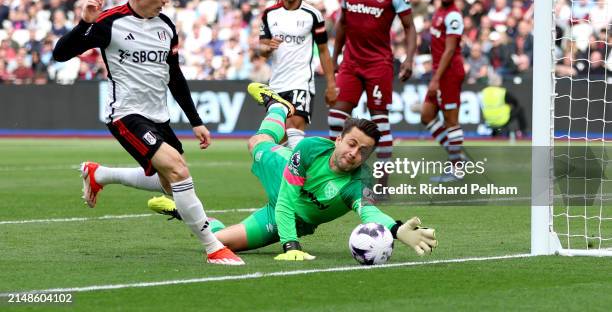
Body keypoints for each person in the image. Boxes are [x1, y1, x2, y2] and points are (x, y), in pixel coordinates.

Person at [52, 0, 243, 266]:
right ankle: (214, 247)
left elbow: (175, 77)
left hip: (160, 117)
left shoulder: (166, 26)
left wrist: (196, 121)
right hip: (125, 114)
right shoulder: (109, 22)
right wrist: (84, 24)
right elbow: (60, 54)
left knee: (169, 182)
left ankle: (99, 174)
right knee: (179, 170)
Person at [149, 82, 437, 260]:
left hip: (288, 217)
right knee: (257, 142)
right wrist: (290, 246)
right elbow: (287, 197)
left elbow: (369, 213)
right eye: (351, 143)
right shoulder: (311, 148)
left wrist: (397, 230)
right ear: (338, 139)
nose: (354, 153)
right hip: (283, 173)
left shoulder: (357, 182)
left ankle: (184, 212)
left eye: (363, 151)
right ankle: (277, 107)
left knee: (217, 243)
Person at [329, 0, 417, 189]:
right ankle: (334, 172)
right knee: (336, 118)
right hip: (350, 63)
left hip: (378, 65)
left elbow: (410, 27)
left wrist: (409, 59)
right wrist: (335, 58)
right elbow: (343, 24)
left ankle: (382, 183)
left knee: (380, 123)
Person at [259, 0, 336, 149]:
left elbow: (324, 50)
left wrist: (331, 84)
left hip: (301, 82)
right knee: (279, 137)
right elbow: (262, 50)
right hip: (276, 85)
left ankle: (295, 176)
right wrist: (267, 48)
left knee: (294, 127)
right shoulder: (269, 14)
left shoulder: (312, 14)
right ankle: (289, 172)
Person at [420, 0, 466, 182]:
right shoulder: (439, 13)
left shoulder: (454, 16)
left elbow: (449, 50)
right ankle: (458, 157)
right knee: (426, 115)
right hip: (439, 72)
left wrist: (436, 78)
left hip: (449, 73)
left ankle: (457, 169)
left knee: (451, 121)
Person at [481, 73, 527, 138]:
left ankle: (496, 132)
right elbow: (515, 102)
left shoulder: (484, 91)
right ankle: (522, 132)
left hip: (488, 120)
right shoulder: (502, 92)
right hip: (501, 118)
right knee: (520, 109)